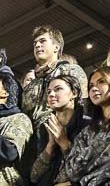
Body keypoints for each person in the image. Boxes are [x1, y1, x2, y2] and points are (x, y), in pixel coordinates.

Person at [30, 75, 89, 186]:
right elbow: (34, 175)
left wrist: (63, 141)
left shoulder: (88, 124)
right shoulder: (45, 128)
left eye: (58, 89)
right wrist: (50, 144)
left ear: (74, 93)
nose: (51, 95)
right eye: (49, 91)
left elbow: (86, 168)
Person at [22, 25, 88, 157]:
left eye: (42, 41)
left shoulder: (71, 71)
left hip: (64, 140)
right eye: (35, 43)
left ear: (56, 47)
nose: (37, 45)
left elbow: (84, 106)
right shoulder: (31, 85)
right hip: (34, 147)